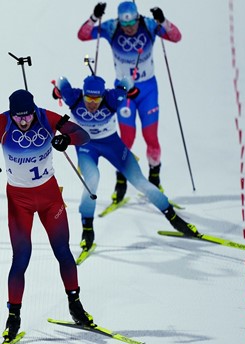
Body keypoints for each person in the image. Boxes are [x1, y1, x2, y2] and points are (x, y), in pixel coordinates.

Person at [0, 89, 93, 342]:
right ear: (11, 114)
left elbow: (82, 134)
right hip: (19, 201)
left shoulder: (46, 118)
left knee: (62, 251)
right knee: (21, 258)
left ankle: (75, 305)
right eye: (19, 117)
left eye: (27, 116)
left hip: (50, 197)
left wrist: (66, 141)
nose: (24, 121)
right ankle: (13, 318)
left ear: (33, 111)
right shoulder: (1, 122)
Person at [52, 75, 199, 252]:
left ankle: (175, 220)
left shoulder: (113, 98)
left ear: (103, 96)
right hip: (86, 147)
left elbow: (126, 82)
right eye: (88, 98)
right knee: (91, 181)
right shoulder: (73, 97)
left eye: (96, 99)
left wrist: (132, 87)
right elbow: (62, 80)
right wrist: (57, 90)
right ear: (82, 95)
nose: (91, 103)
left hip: (112, 145)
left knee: (140, 182)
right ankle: (87, 230)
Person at [78, 1, 182, 204]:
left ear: (138, 18)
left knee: (150, 136)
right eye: (125, 26)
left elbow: (176, 37)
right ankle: (121, 183)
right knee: (126, 139)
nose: (129, 29)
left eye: (133, 23)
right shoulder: (111, 27)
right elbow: (83, 35)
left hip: (147, 90)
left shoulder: (149, 25)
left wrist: (163, 21)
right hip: (123, 92)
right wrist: (93, 17)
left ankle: (154, 179)